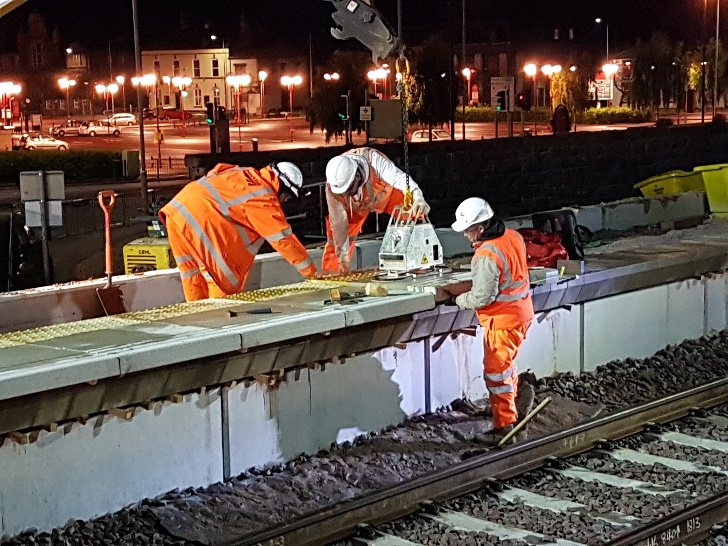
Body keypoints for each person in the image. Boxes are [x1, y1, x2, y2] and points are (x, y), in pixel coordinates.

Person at [160, 162, 317, 302]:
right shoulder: (263, 197)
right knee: (222, 279)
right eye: (287, 197)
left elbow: (216, 171)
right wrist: (312, 274)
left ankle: (197, 322)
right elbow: (282, 239)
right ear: (282, 187)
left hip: (176, 212)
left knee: (191, 274)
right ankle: (219, 324)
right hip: (201, 223)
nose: (284, 201)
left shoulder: (243, 172)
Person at [451, 197, 534, 445]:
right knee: (506, 367)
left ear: (480, 227)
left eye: (467, 229)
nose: (465, 234)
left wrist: (458, 300)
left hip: (503, 320)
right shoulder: (512, 235)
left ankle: (506, 426)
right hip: (521, 312)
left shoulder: (486, 255)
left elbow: (482, 296)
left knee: (497, 373)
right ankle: (506, 408)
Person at [323, 147, 431, 274]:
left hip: (385, 194)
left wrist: (417, 196)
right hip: (356, 206)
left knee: (414, 211)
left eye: (348, 190)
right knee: (335, 237)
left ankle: (419, 263)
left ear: (357, 176)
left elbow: (400, 179)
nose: (346, 194)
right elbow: (338, 223)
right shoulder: (334, 187)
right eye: (343, 192)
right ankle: (333, 275)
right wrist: (343, 259)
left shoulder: (374, 161)